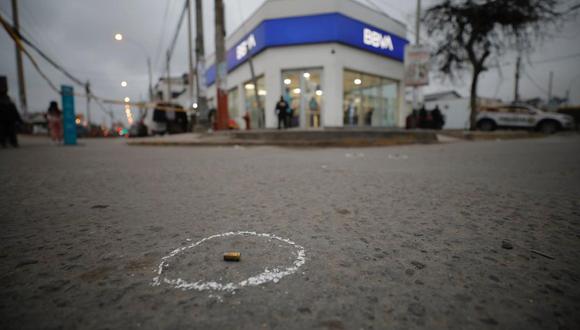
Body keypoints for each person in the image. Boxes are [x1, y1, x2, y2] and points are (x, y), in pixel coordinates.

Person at [0, 77, 23, 148]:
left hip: (8, 120)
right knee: (4, 131)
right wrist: (19, 120)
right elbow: (15, 111)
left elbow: (15, 111)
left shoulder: (9, 100)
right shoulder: (9, 100)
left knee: (9, 131)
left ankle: (10, 142)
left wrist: (19, 120)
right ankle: (8, 142)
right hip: (5, 120)